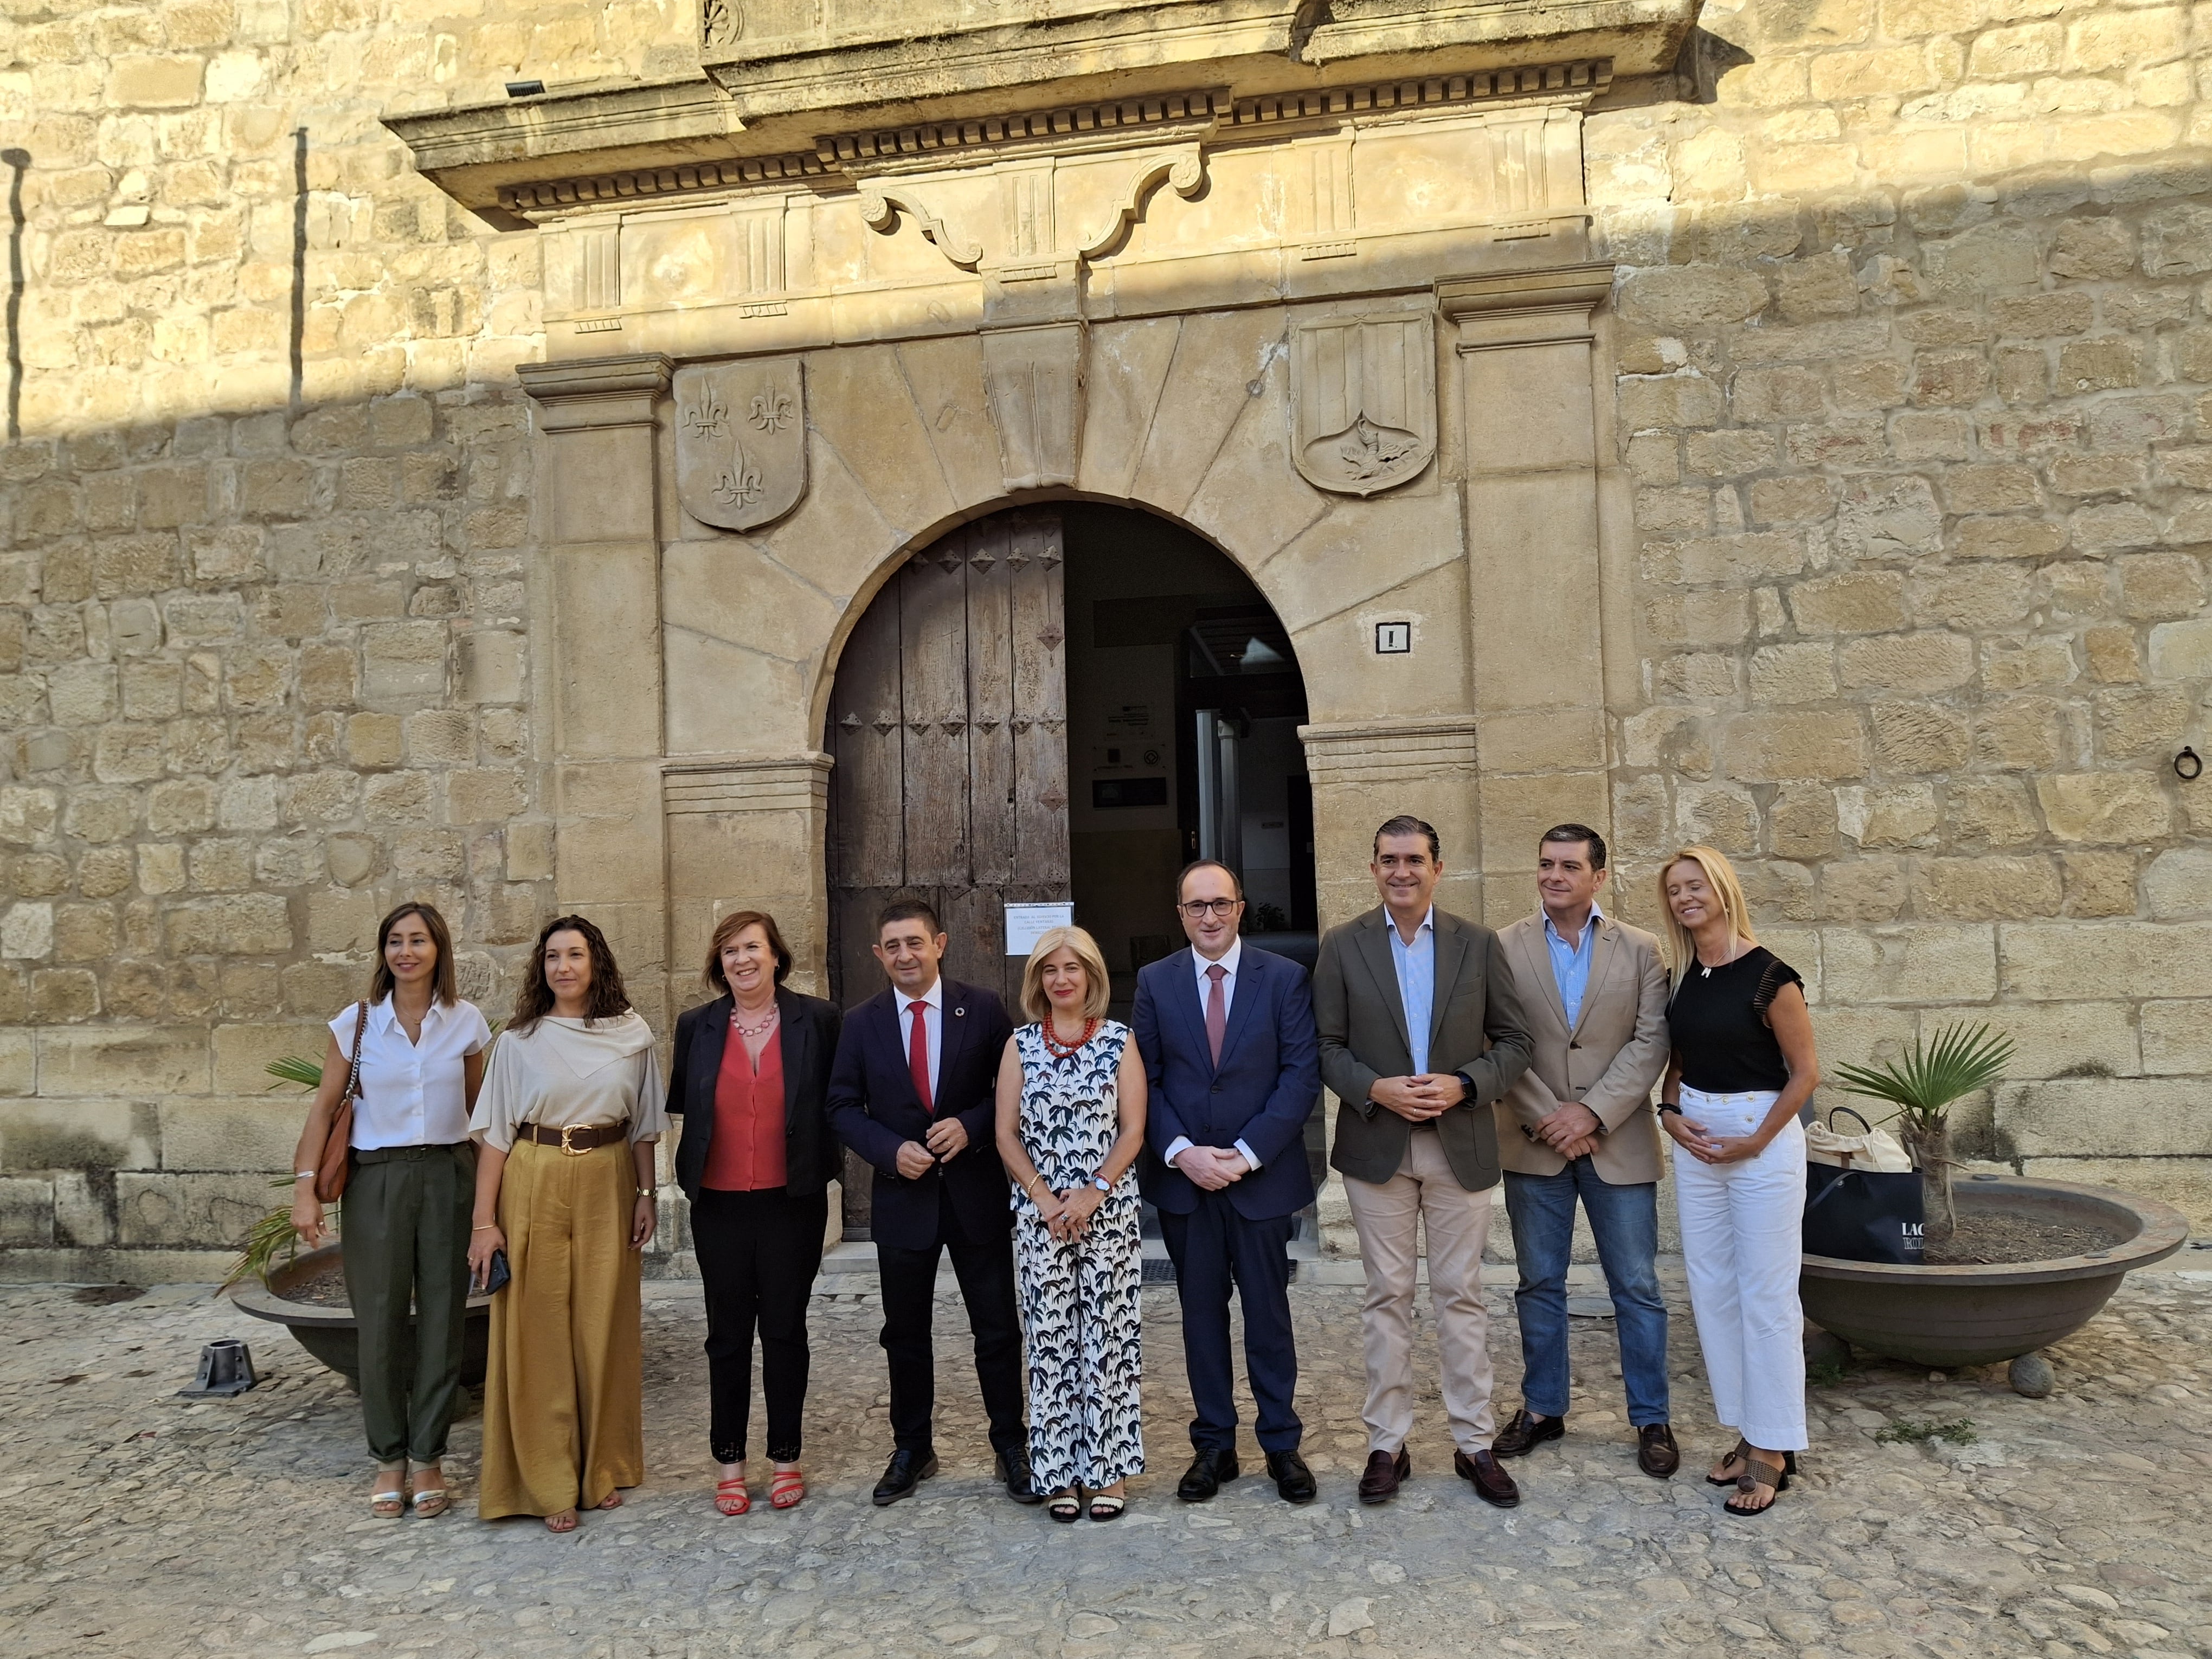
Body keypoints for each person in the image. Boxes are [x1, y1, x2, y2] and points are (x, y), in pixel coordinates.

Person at [1314, 814, 1533, 1509]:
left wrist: (1465, 1083)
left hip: (1458, 1142)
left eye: (1413, 859)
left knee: (1460, 1294)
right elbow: (1324, 1046)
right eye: (1388, 860)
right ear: (1373, 868)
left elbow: (1515, 1040)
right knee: (1387, 1296)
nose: (1401, 871)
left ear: (1437, 868)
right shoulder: (1343, 946)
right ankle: (1388, 1443)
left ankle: (1474, 1444)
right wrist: (1374, 1088)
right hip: (1377, 1144)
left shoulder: (1478, 943)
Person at [827, 898, 1034, 1507]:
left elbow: (1011, 1085)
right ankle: (913, 1447)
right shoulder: (861, 1023)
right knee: (905, 1333)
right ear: (878, 955)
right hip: (904, 1199)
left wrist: (971, 1124)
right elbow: (840, 1106)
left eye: (914, 943)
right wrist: (889, 1151)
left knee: (996, 1328)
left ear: (939, 944)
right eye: (892, 946)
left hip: (975, 1195)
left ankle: (1010, 1444)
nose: (904, 955)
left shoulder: (984, 1007)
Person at [289, 901, 491, 1520]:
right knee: (376, 1319)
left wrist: (494, 1205)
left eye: (419, 941)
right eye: (396, 941)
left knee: (441, 1318)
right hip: (375, 1180)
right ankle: (388, 1459)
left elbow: (484, 1119)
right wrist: (304, 1187)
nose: (406, 952)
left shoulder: (465, 1022)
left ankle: (428, 1456)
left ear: (439, 950)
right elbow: (325, 1110)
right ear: (384, 953)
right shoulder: (356, 1023)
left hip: (448, 1175)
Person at [466, 915, 667, 1532]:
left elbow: (644, 1127)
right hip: (534, 1175)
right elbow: (494, 1138)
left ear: (596, 962)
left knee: (602, 1324)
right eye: (552, 957)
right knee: (539, 1326)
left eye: (575, 955)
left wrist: (646, 1194)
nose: (564, 967)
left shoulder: (632, 1036)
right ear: (541, 968)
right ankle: (547, 1477)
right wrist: (483, 1224)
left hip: (609, 1178)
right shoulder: (519, 1041)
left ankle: (602, 1467)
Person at [1132, 860, 1321, 1506]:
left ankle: (1280, 1443)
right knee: (1200, 1317)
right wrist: (1183, 1153)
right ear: (1179, 914)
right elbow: (1145, 1080)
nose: (1208, 917)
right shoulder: (1156, 983)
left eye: (1220, 904)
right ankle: (1213, 1443)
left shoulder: (1286, 979)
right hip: (1186, 1183)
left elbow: (1299, 1078)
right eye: (1195, 906)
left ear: (1240, 908)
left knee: (1269, 1315)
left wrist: (1242, 1156)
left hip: (1260, 1180)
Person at [1493, 825, 1677, 1478]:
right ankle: (1543, 1408)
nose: (1554, 876)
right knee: (1539, 1283)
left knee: (1637, 1286)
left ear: (1599, 876)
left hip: (1617, 1141)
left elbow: (1651, 1041)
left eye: (1569, 866)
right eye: (1545, 864)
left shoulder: (1641, 949)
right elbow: (1499, 1040)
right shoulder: (1504, 947)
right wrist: (1552, 1118)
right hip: (1533, 1143)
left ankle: (1651, 1416)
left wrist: (1592, 1113)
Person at [1656, 846, 1821, 1518]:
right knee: (1714, 1286)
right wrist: (1668, 1114)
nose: (1685, 898)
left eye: (1696, 886)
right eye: (1674, 891)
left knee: (1766, 1292)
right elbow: (1679, 1061)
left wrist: (1758, 1138)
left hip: (1762, 1135)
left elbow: (1806, 1071)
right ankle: (1747, 1428)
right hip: (1696, 1138)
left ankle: (1777, 1449)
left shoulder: (1770, 977)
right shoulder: (1685, 977)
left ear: (1723, 889)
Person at [666, 911, 843, 1517]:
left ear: (775, 955)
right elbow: (684, 1103)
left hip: (791, 1202)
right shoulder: (698, 1026)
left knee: (787, 1330)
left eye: (752, 948)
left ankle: (787, 1455)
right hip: (718, 1204)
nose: (741, 960)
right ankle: (730, 1463)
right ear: (720, 964)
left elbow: (836, 1098)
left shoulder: (817, 1019)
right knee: (727, 1334)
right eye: (730, 951)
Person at [994, 925, 1148, 1521]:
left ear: (1091, 977)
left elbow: (1133, 1130)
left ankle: (1109, 1471)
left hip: (1107, 1215)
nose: (1062, 979)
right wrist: (1044, 1197)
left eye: (1073, 969)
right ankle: (1059, 1472)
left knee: (1108, 1343)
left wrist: (1092, 1193)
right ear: (1038, 981)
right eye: (1051, 970)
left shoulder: (1118, 1041)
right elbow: (1006, 1132)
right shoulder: (1020, 1046)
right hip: (1041, 1220)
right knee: (1052, 1343)